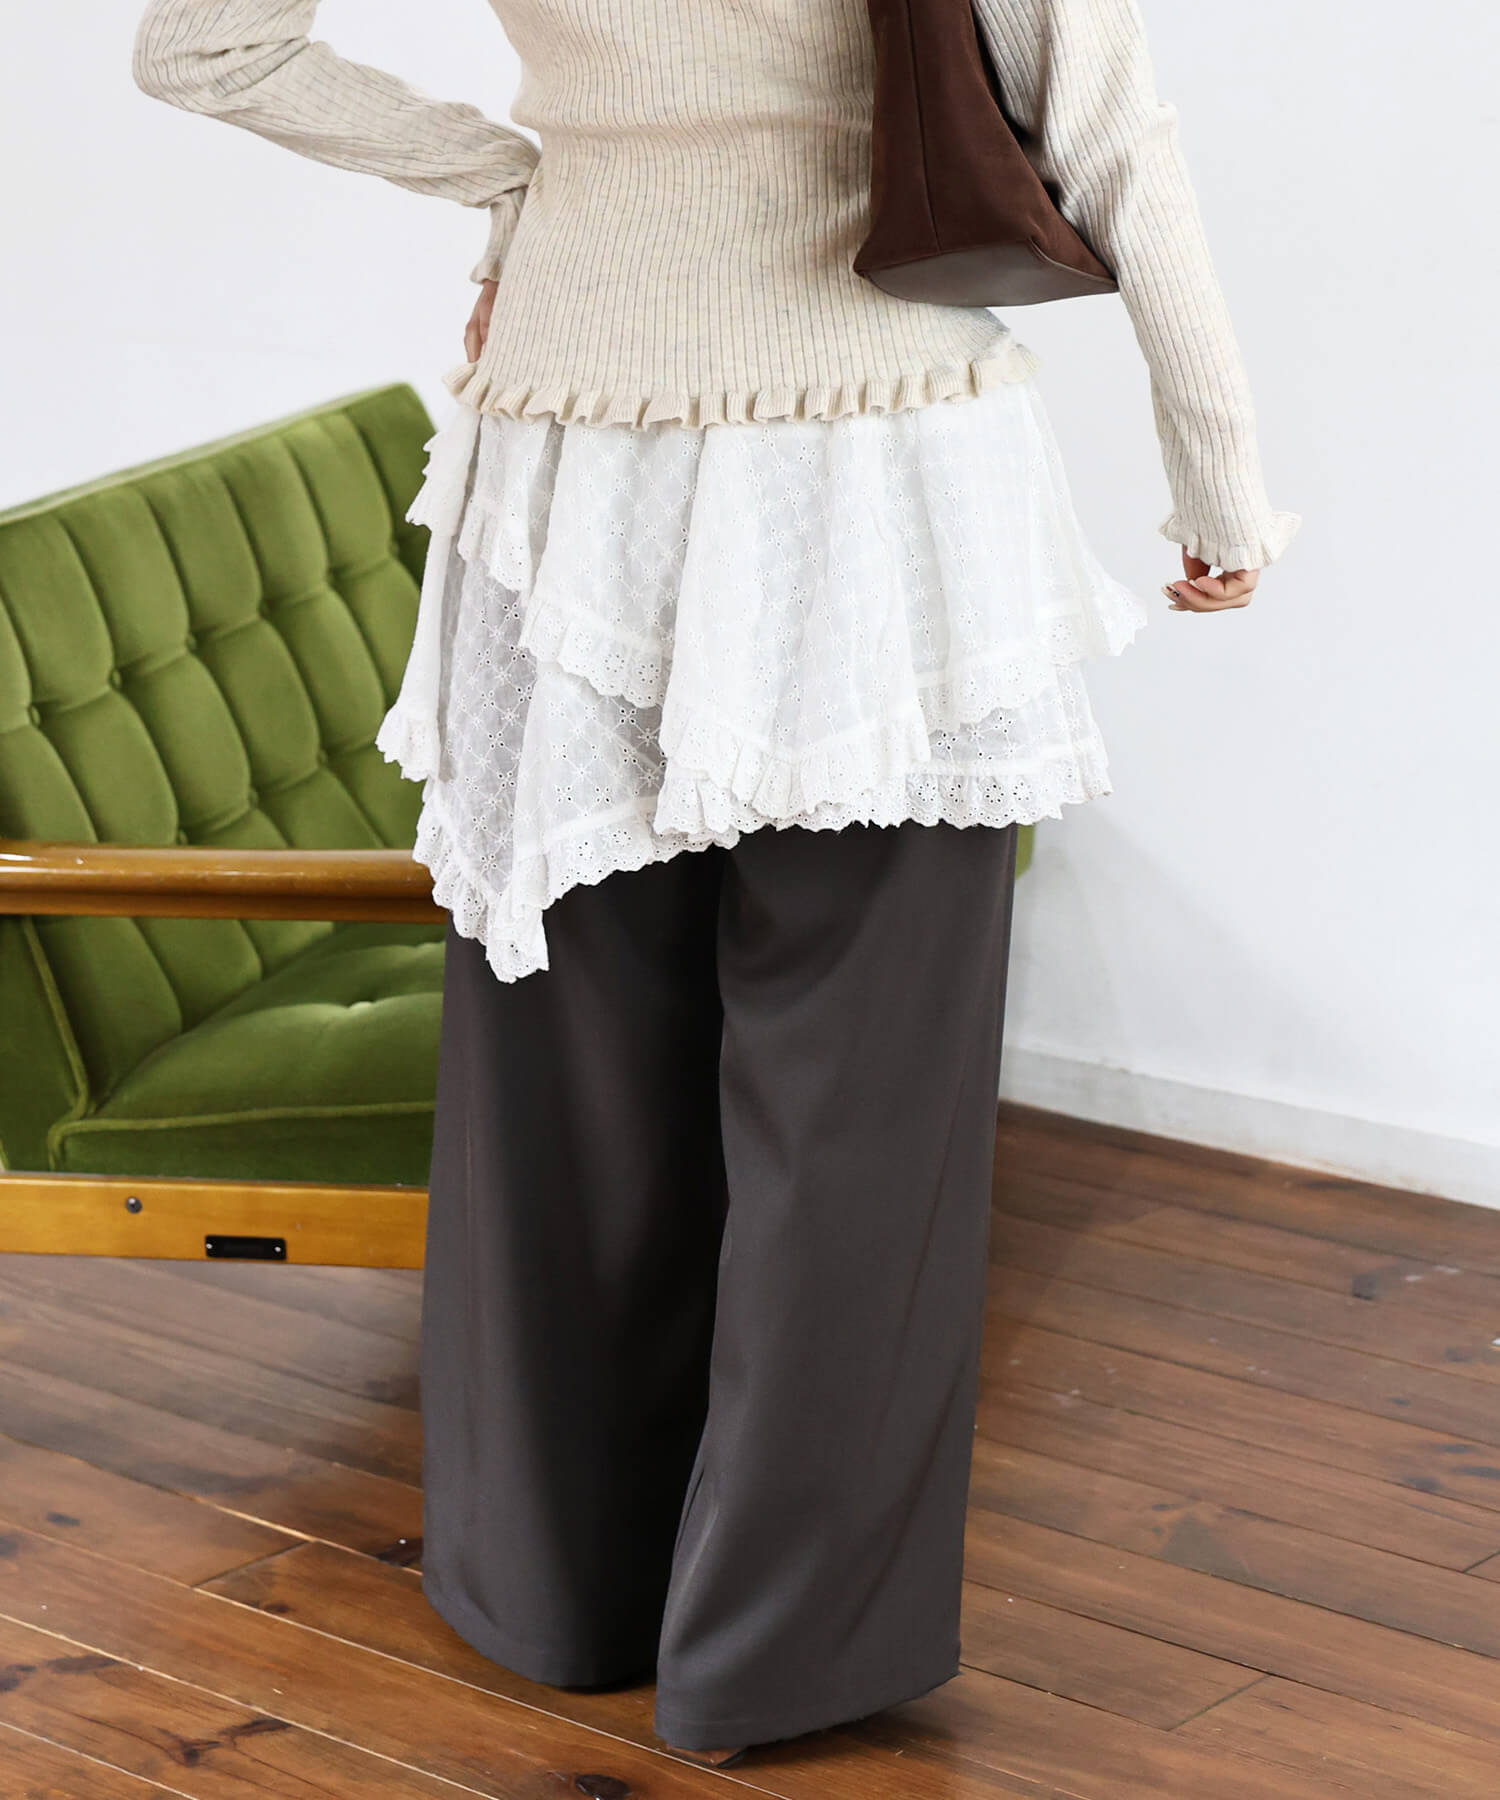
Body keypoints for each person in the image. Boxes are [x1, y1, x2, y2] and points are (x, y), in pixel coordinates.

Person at [131, 0, 1298, 1769]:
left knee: (572, 1071)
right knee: (859, 1104)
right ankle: (777, 1660)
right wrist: (1223, 483)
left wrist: (524, 184)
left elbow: (203, 46)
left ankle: (551, 1591)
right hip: (876, 453)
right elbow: (1113, 138)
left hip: (573, 449)